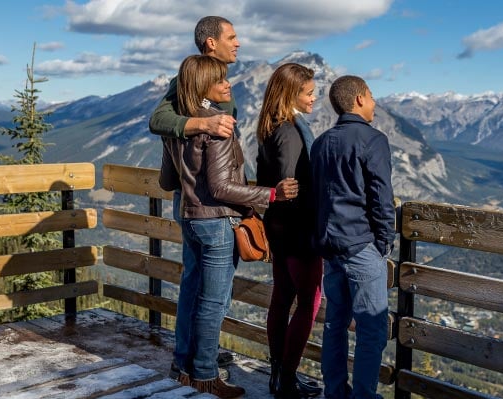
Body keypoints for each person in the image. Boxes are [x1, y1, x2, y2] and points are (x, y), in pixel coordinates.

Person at [162, 54, 299, 398]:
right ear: (203, 87)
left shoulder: (178, 125)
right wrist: (271, 194)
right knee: (213, 301)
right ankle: (206, 375)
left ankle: (185, 366)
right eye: (221, 81)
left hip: (190, 217)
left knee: (194, 293)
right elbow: (222, 188)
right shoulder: (218, 126)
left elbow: (167, 180)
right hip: (216, 221)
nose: (229, 85)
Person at [151, 15, 239, 383]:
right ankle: (201, 367)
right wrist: (204, 124)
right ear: (210, 44)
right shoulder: (188, 80)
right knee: (209, 291)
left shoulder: (215, 84)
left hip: (192, 201)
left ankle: (188, 355)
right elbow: (157, 119)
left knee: (194, 282)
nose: (237, 43)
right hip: (208, 203)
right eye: (231, 38)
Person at [309, 76, 396, 399]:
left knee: (335, 323)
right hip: (361, 245)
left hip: (329, 247)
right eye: (371, 96)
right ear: (359, 99)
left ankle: (334, 392)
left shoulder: (322, 142)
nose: (374, 103)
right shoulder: (373, 140)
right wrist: (384, 243)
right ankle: (363, 395)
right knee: (372, 330)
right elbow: (381, 198)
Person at [256, 63, 323, 399]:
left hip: (279, 228)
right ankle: (287, 377)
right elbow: (288, 182)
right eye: (309, 92)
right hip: (298, 230)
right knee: (309, 301)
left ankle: (278, 374)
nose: (315, 98)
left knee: (282, 297)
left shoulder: (271, 126)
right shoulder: (290, 131)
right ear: (291, 94)